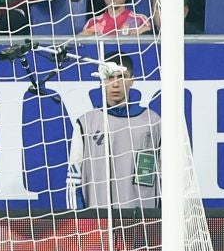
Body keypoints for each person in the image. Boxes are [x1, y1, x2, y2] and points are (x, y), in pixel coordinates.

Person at [68, 54, 161, 210]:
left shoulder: (153, 121)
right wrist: (81, 219)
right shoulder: (85, 123)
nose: (116, 84)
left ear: (132, 80)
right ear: (102, 80)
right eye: (110, 77)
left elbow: (166, 178)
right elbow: (73, 181)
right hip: (99, 219)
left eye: (122, 77)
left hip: (142, 220)